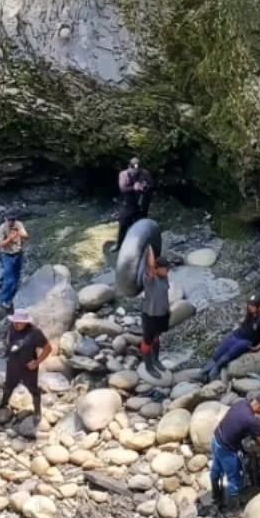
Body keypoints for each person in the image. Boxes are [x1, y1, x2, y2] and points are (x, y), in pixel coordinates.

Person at [210, 394, 260, 517]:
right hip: (227, 450)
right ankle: (234, 510)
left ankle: (216, 498)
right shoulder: (250, 420)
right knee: (234, 480)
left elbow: (239, 423)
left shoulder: (241, 403)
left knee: (216, 471)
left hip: (217, 440)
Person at [0, 309, 52, 423]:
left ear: (26, 322)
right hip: (12, 364)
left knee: (33, 390)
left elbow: (48, 348)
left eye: (20, 322)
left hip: (28, 368)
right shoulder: (11, 327)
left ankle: (37, 411)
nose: (17, 324)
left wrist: (37, 362)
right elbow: (8, 341)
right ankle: (3, 402)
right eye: (15, 321)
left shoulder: (35, 333)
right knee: (8, 386)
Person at [204, 295, 260, 382]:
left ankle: (216, 369)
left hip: (247, 341)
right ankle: (203, 372)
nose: (250, 307)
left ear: (259, 307)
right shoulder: (250, 314)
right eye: (249, 304)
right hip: (238, 335)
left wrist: (257, 348)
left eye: (252, 305)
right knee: (221, 350)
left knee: (231, 352)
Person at [138, 246, 172, 379]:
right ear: (157, 269)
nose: (168, 271)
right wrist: (149, 247)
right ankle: (148, 366)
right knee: (147, 340)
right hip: (150, 315)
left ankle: (156, 360)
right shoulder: (150, 279)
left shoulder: (164, 279)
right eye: (165, 268)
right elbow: (151, 265)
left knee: (157, 337)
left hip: (162, 314)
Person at [112, 157, 154, 251]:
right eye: (133, 169)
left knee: (141, 223)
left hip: (142, 200)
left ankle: (142, 245)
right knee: (123, 221)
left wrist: (144, 187)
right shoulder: (123, 174)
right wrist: (134, 188)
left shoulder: (145, 173)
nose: (135, 171)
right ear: (129, 167)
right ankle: (119, 243)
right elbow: (123, 188)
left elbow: (151, 185)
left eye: (137, 170)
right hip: (129, 201)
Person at [0, 216, 28, 310]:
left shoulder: (19, 224)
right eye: (9, 220)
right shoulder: (2, 228)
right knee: (10, 279)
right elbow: (1, 244)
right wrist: (10, 238)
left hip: (18, 254)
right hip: (7, 255)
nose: (11, 222)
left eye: (13, 220)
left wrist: (19, 233)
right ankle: (3, 300)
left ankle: (12, 297)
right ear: (6, 219)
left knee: (16, 277)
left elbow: (26, 236)